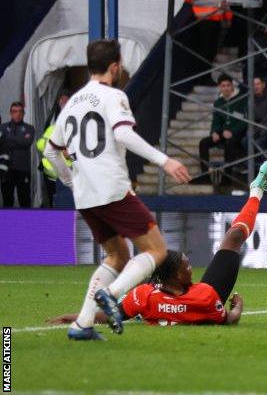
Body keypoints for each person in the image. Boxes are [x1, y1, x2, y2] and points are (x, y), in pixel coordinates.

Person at [43, 39, 191, 340]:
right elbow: (123, 133)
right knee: (157, 249)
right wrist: (165, 161)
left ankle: (82, 325)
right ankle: (110, 294)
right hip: (111, 187)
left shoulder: (72, 102)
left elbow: (49, 151)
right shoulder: (113, 96)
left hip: (85, 196)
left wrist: (72, 182)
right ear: (114, 66)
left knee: (117, 254)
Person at [48, 161, 267, 328]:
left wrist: (79, 317)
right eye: (186, 267)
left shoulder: (143, 295)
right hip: (204, 302)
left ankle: (256, 190)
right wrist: (238, 305)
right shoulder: (207, 297)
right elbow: (230, 319)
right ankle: (256, 192)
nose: (191, 269)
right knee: (234, 237)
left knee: (234, 235)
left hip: (164, 299)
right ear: (176, 276)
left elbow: (108, 315)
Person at [198, 75, 246, 187]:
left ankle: (227, 177)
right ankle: (205, 176)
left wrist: (232, 132)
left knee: (230, 143)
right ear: (219, 87)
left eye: (228, 85)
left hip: (238, 132)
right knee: (203, 142)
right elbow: (216, 120)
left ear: (232, 85)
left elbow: (245, 121)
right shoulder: (218, 102)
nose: (226, 88)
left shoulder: (242, 99)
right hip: (223, 132)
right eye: (223, 86)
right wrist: (214, 132)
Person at [0, 102, 34, 208]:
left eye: (20, 111)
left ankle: (25, 223)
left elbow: (26, 143)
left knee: (24, 201)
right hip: (6, 169)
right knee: (7, 200)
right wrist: (20, 140)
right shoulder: (3, 127)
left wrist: (7, 138)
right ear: (10, 113)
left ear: (23, 114)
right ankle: (9, 223)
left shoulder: (29, 128)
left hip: (23, 170)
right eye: (14, 111)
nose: (17, 114)